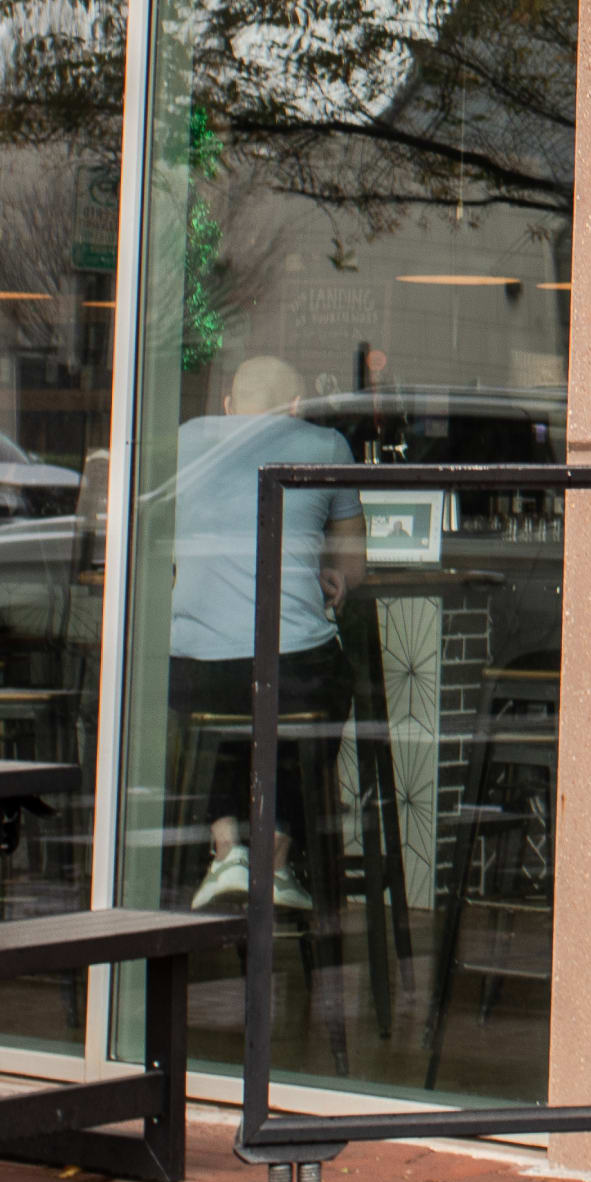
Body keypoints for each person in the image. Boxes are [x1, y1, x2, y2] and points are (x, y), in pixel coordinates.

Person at [162, 353, 365, 912]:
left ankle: (226, 846)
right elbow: (354, 568)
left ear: (228, 404)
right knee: (319, 691)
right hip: (290, 669)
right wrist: (329, 578)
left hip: (191, 670)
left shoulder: (183, 438)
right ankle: (274, 856)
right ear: (296, 407)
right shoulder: (326, 447)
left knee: (226, 719)